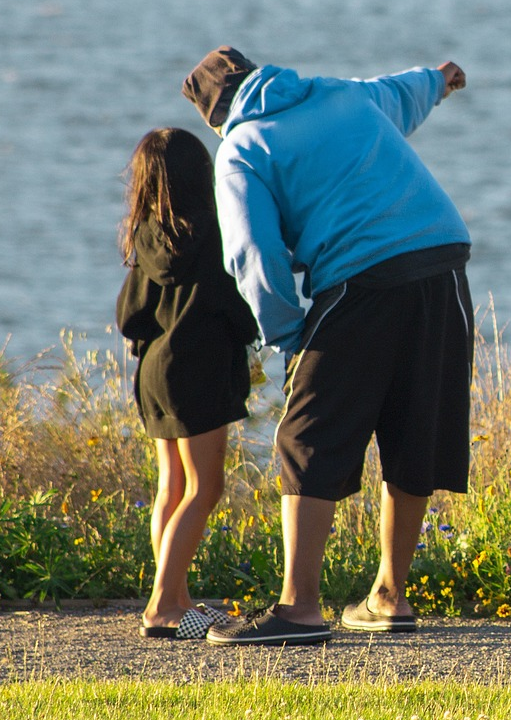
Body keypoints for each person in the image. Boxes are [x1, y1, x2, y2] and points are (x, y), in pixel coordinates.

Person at [181, 46, 473, 645]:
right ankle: (389, 596)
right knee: (416, 424)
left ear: (214, 115)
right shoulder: (336, 93)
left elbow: (253, 258)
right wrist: (438, 80)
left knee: (306, 435)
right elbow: (397, 92)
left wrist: (290, 336)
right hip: (444, 259)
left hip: (362, 277)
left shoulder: (241, 150)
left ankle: (299, 609)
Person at [115, 127, 259, 639]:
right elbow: (238, 307)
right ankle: (161, 607)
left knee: (170, 486)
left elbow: (129, 316)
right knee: (205, 487)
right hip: (200, 369)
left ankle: (178, 599)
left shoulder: (147, 234)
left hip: (154, 371)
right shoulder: (216, 231)